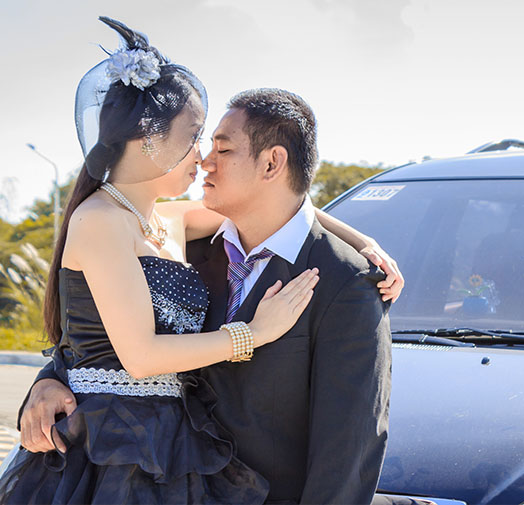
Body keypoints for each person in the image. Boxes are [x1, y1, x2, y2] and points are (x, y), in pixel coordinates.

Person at [5, 18, 403, 505]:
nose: (204, 157)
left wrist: (362, 240)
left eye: (220, 146)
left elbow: (283, 205)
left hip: (185, 459)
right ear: (150, 139)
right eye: (196, 138)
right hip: (117, 453)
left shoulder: (173, 224)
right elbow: (120, 350)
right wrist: (253, 334)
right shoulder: (105, 221)